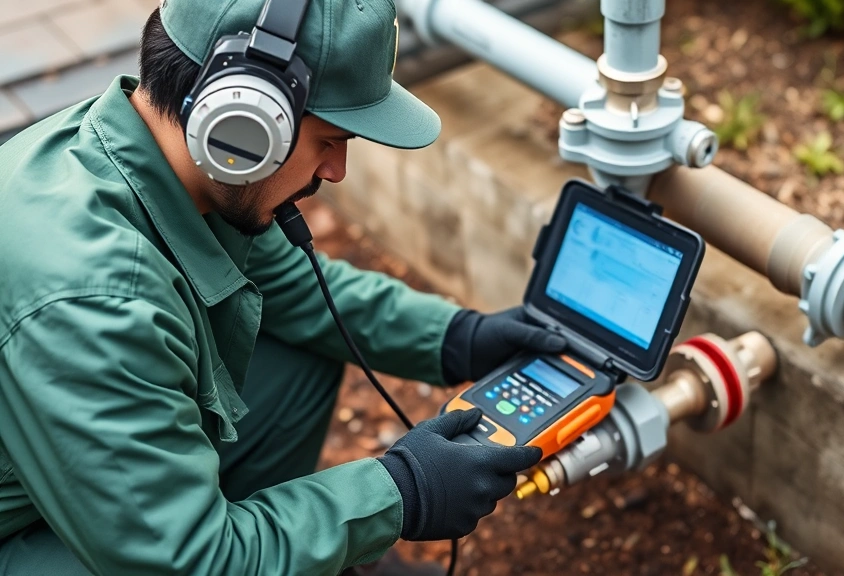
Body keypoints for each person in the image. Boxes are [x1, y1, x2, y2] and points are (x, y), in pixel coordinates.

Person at [0, 0, 568, 574]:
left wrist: (461, 338)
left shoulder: (155, 156)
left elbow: (302, 293)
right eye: (330, 140)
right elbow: (188, 562)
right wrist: (400, 494)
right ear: (243, 121)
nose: (337, 170)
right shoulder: (96, 301)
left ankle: (282, 548)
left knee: (301, 353)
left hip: (57, 477)